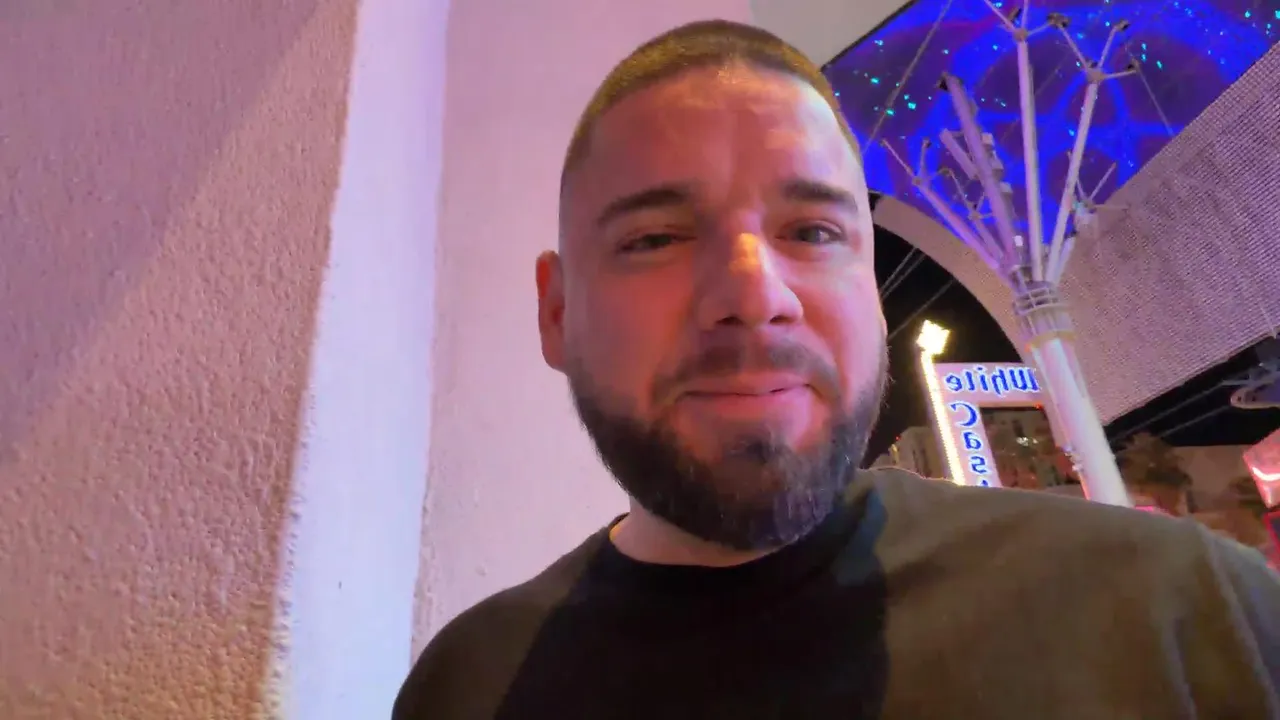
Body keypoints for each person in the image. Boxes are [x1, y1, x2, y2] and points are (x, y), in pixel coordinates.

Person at [393, 19, 1280, 719]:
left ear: (871, 293)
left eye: (814, 232)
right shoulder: (468, 687)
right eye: (656, 238)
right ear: (556, 313)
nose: (754, 294)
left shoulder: (1193, 615)